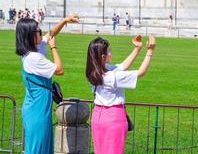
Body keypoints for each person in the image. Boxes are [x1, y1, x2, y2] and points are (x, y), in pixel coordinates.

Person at [15, 14, 79, 154]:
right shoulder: (34, 58)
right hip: (37, 110)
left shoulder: (31, 51)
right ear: (30, 36)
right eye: (38, 31)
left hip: (38, 106)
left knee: (42, 146)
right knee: (37, 148)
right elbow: (60, 70)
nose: (41, 32)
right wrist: (53, 47)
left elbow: (50, 34)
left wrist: (64, 21)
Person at [86, 34, 156, 154]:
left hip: (98, 116)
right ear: (103, 57)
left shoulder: (93, 72)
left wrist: (137, 48)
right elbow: (141, 72)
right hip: (113, 117)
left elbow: (123, 66)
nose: (111, 53)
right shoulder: (111, 76)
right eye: (109, 51)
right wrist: (150, 50)